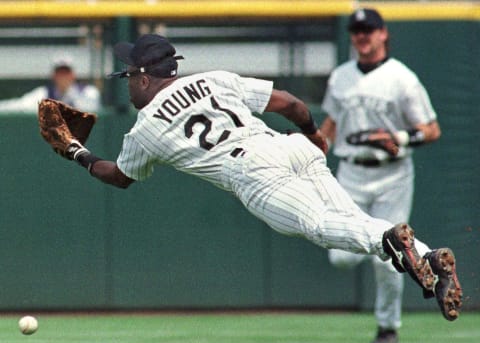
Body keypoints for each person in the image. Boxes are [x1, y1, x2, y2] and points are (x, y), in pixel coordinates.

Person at [59, 34, 462, 327]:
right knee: (351, 220)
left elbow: (119, 176)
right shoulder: (215, 78)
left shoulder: (146, 127)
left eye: (128, 75)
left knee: (321, 227)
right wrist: (314, 136)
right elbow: (291, 103)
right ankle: (426, 257)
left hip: (252, 172)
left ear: (145, 78)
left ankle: (389, 241)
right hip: (288, 146)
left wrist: (77, 151)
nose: (127, 83)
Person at [320, 8, 442, 343]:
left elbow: (431, 130)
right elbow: (330, 127)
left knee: (390, 263)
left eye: (369, 30)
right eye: (357, 30)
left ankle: (388, 327)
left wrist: (400, 139)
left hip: (392, 174)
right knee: (341, 255)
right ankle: (400, 250)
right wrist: (313, 149)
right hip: (351, 172)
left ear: (383, 33)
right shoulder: (340, 76)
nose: (362, 36)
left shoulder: (402, 78)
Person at [0, 56, 100, 113]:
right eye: (60, 72)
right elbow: (20, 105)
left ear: (73, 75)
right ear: (54, 75)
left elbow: (88, 114)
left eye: (66, 72)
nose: (63, 76)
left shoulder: (88, 92)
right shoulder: (44, 93)